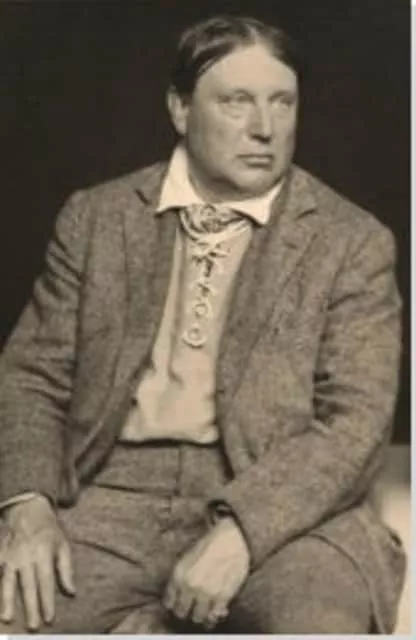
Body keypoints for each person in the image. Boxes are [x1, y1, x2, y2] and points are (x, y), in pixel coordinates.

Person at [0, 14, 406, 634]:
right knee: (15, 616)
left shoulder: (352, 241)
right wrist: (28, 507)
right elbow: (32, 376)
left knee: (315, 623)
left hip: (286, 506)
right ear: (181, 108)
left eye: (282, 102)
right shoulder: (98, 218)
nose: (265, 128)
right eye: (236, 101)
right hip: (110, 495)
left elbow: (356, 421)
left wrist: (244, 530)